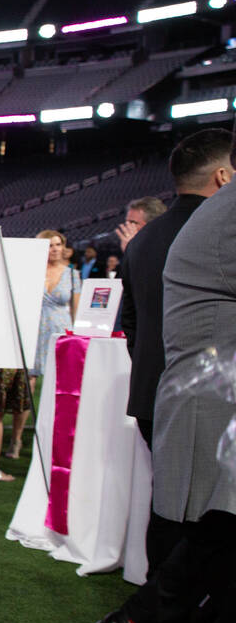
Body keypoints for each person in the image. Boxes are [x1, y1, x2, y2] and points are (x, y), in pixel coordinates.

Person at [96, 172, 236, 623]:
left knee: (207, 548)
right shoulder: (218, 217)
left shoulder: (176, 226)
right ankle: (145, 622)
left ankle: (144, 620)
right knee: (215, 564)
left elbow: (132, 321)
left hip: (189, 399)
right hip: (210, 410)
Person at [120, 129, 234, 581]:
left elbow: (129, 322)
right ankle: (154, 616)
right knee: (200, 516)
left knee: (168, 501)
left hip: (154, 385)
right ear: (223, 175)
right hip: (201, 393)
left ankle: (153, 604)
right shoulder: (214, 227)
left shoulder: (144, 239)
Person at [30, 229, 80, 397]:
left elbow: (76, 309)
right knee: (28, 382)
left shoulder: (72, 275)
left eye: (58, 244)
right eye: (50, 245)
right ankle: (20, 425)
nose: (55, 249)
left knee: (60, 380)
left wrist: (76, 335)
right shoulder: (31, 272)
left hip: (61, 329)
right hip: (34, 329)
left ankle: (56, 422)